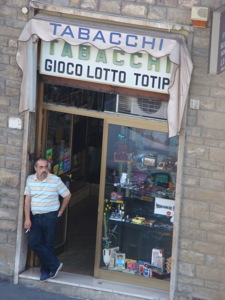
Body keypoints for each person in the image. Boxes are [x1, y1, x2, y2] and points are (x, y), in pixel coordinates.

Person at [24, 157, 71, 282]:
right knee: (33, 242)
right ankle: (54, 264)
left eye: (46, 167)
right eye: (41, 167)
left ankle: (45, 271)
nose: (44, 169)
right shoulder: (30, 179)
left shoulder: (55, 180)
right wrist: (27, 219)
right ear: (35, 168)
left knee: (48, 244)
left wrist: (61, 211)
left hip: (50, 216)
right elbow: (27, 201)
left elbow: (67, 195)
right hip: (35, 216)